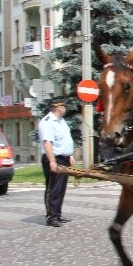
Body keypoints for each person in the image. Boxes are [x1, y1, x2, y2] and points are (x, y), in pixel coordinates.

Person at [39, 97, 76, 227]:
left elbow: (65, 140)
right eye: (64, 107)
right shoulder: (47, 122)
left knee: (61, 188)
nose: (65, 109)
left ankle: (58, 214)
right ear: (59, 108)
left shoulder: (61, 121)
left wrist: (69, 155)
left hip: (63, 158)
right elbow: (47, 142)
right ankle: (51, 216)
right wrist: (52, 161)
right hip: (54, 157)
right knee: (53, 187)